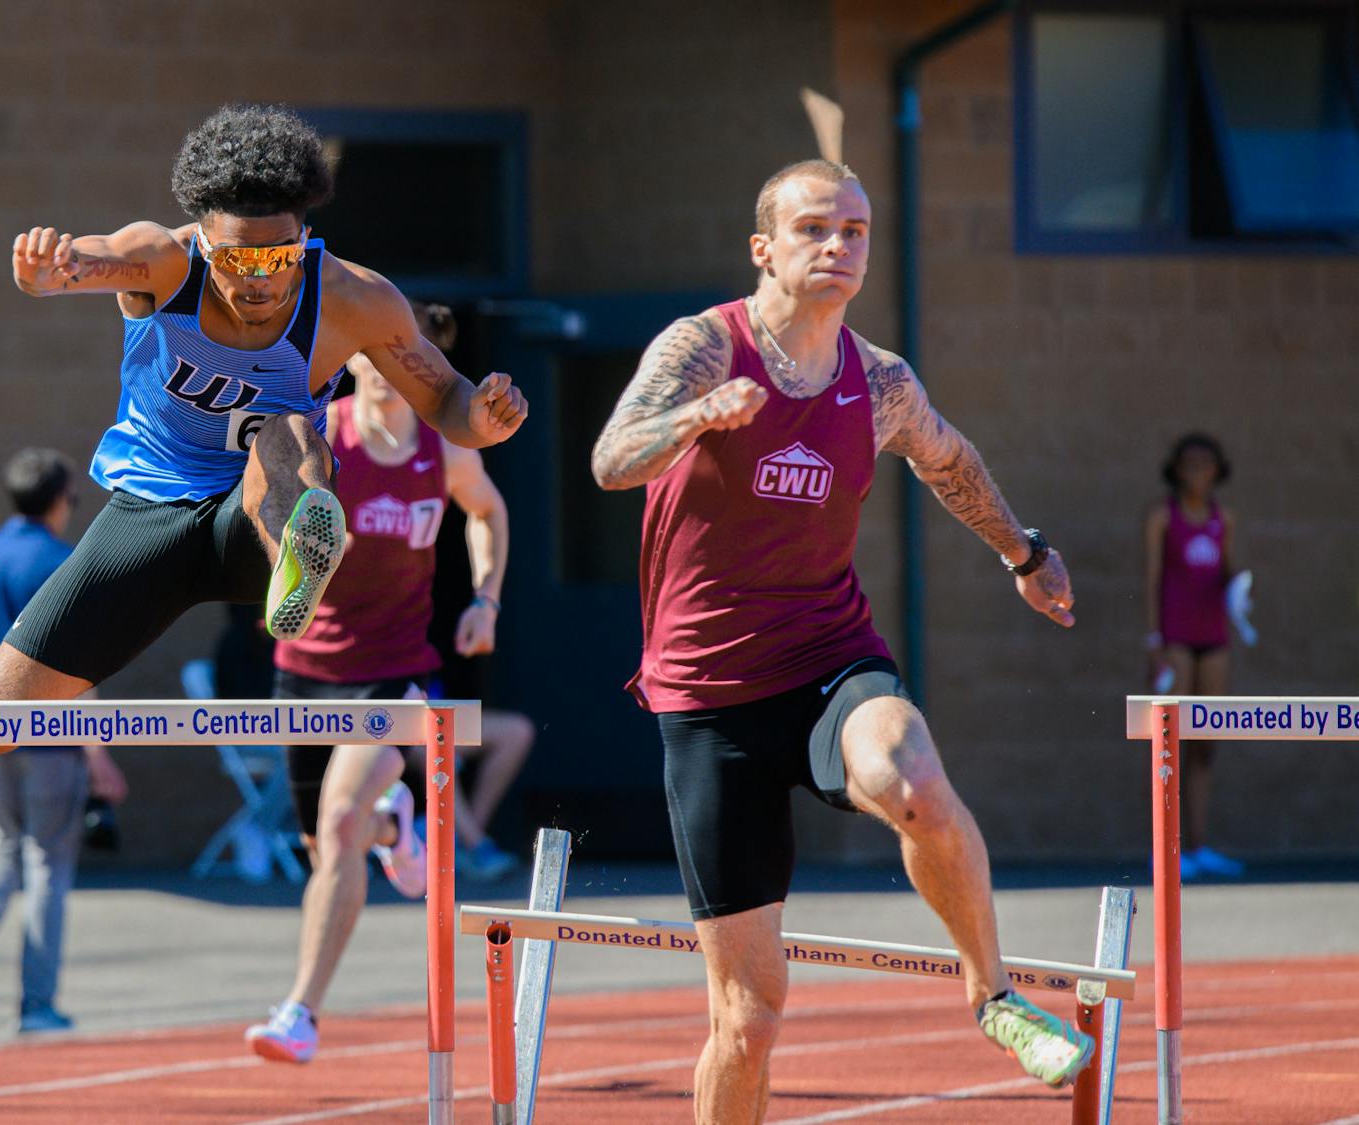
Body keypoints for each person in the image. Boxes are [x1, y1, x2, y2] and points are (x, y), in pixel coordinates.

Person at [590, 159, 1091, 1122]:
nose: (839, 246)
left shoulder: (880, 380)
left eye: (856, 230)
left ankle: (994, 993)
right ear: (763, 248)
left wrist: (1024, 554)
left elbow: (950, 460)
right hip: (708, 699)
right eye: (816, 228)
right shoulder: (704, 346)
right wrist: (698, 416)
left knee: (910, 775)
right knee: (749, 1021)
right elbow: (614, 458)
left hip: (829, 660)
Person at [0, 103, 527, 738]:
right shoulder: (163, 262)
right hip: (150, 511)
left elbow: (446, 401)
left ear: (303, 242)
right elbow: (87, 259)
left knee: (292, 428)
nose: (258, 282)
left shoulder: (356, 300)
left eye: (277, 260)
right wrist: (47, 272)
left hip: (254, 518)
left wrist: (482, 418)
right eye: (236, 261)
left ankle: (296, 564)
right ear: (203, 240)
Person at [245, 301, 526, 1063]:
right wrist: (283, 552)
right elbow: (258, 506)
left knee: (337, 826)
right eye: (376, 362)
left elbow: (487, 512)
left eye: (409, 366)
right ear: (355, 362)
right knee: (322, 842)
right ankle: (395, 826)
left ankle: (299, 1011)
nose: (390, 378)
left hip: (396, 675)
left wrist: (486, 596)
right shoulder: (320, 436)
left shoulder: (446, 449)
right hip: (304, 673)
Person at [0, 448, 129, 1033]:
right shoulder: (68, 564)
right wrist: (99, 755)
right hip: (51, 739)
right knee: (46, 864)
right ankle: (37, 1005)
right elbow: (80, 669)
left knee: (0, 846)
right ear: (61, 501)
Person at [1144, 433, 1245, 879]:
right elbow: (1152, 581)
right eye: (1189, 464)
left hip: (1214, 637)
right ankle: (1168, 850)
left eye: (1206, 464)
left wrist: (1242, 592)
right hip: (1176, 639)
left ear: (1218, 469)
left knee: (1206, 745)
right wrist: (1154, 643)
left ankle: (1199, 844)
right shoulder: (1162, 518)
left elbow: (1228, 574)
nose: (1197, 472)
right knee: (1170, 746)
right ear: (1176, 468)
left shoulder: (1225, 519)